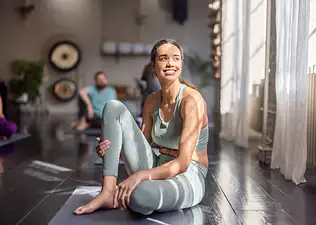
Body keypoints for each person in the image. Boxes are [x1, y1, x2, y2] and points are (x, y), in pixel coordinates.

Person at [74, 39, 209, 216]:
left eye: (176, 58)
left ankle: (139, 191)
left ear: (181, 64)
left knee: (139, 195)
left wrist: (138, 176)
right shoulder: (152, 101)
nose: (170, 63)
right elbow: (138, 149)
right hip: (159, 164)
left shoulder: (191, 100)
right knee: (113, 106)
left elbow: (182, 163)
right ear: (153, 66)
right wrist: (110, 151)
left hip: (188, 174)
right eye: (163, 58)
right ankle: (107, 191)